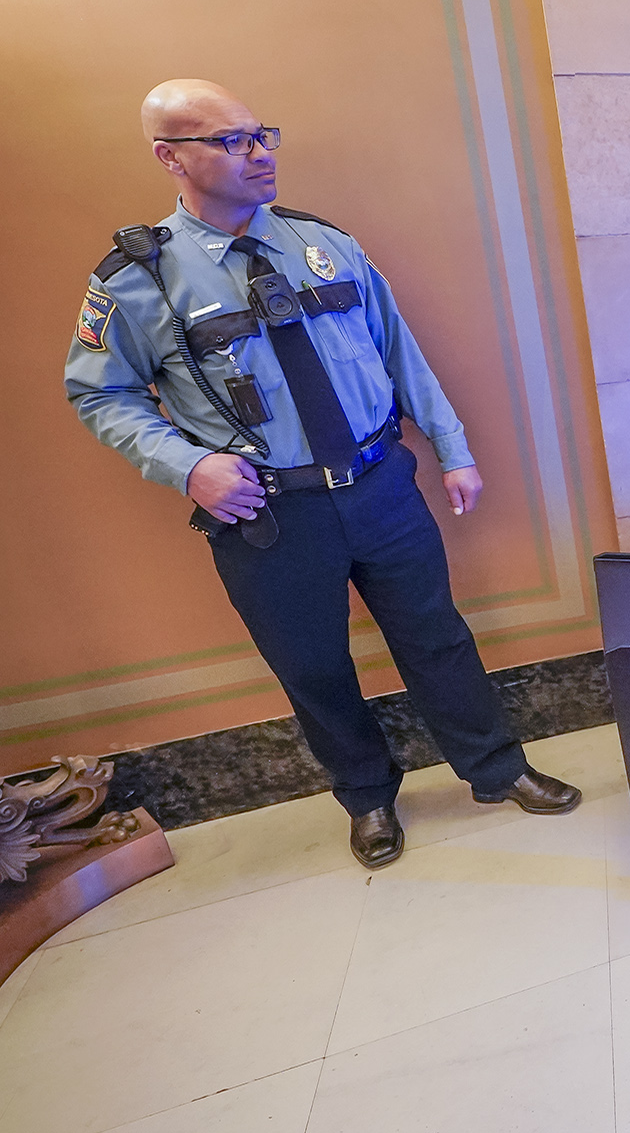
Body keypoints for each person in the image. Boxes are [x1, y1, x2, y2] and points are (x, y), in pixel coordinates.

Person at [64, 80, 581, 869]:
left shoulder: (323, 244)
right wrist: (189, 465)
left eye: (260, 133)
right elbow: (98, 392)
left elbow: (396, 347)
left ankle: (497, 768)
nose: (260, 152)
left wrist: (453, 446)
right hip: (269, 515)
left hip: (380, 485)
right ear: (170, 157)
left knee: (437, 638)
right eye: (230, 141)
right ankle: (368, 798)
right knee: (312, 667)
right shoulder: (139, 281)